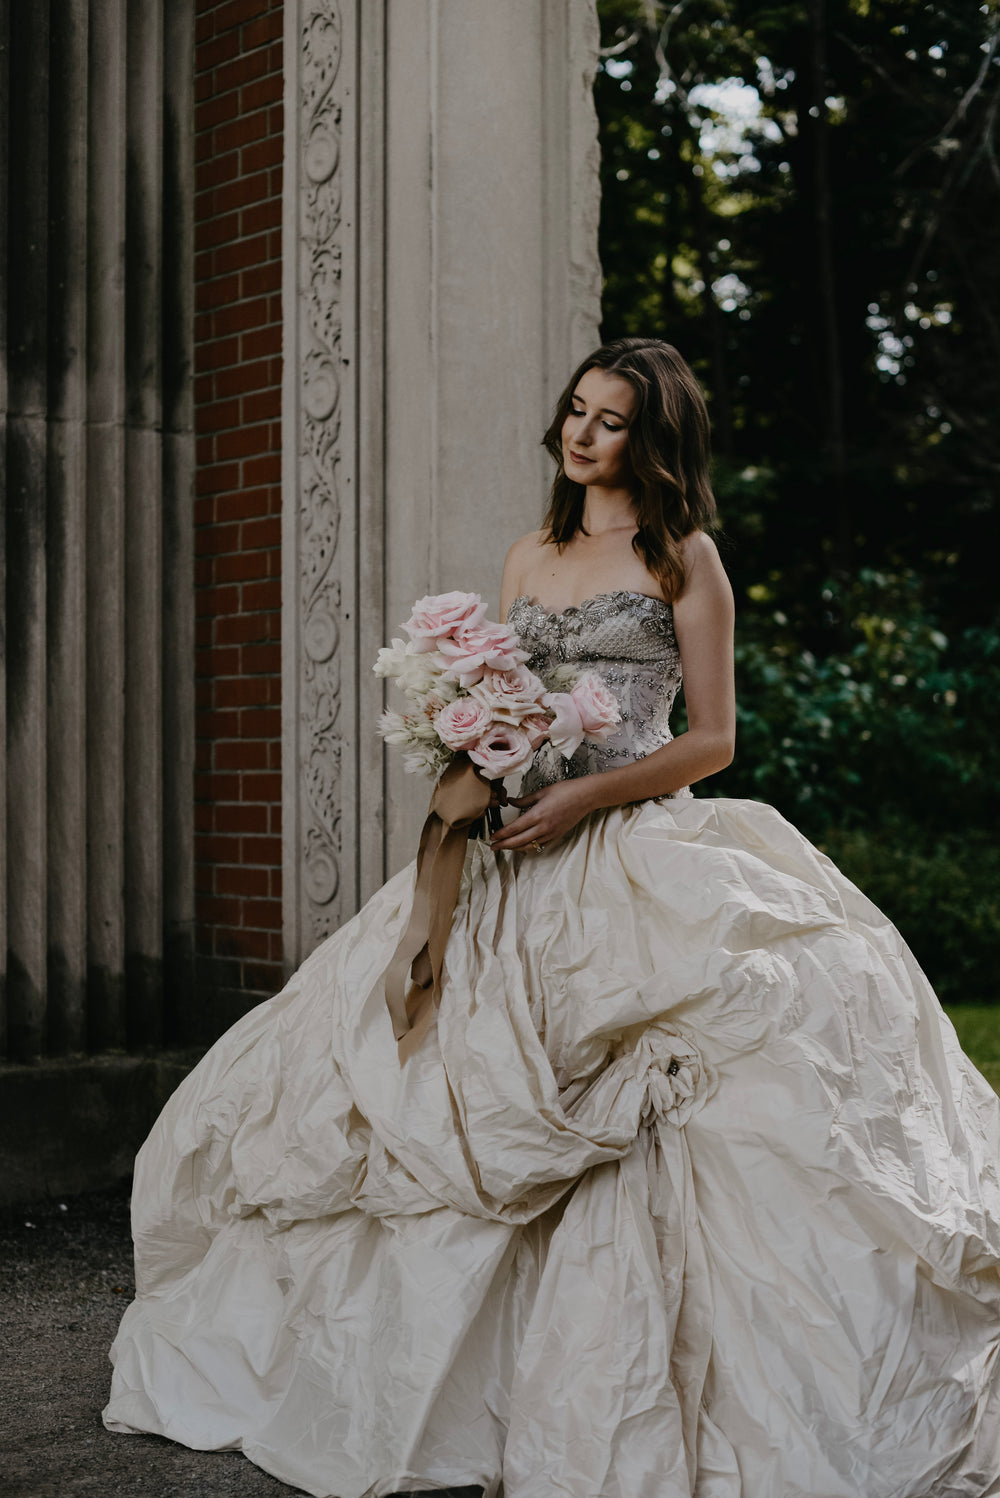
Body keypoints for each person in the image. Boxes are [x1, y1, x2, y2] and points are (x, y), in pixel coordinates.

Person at [104, 337, 1000, 1498]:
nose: (582, 435)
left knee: (691, 1077)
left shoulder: (688, 561)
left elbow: (713, 740)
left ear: (653, 437)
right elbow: (503, 700)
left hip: (630, 843)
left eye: (612, 419)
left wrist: (581, 790)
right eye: (576, 410)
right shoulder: (530, 553)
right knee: (391, 1073)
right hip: (505, 858)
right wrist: (481, 756)